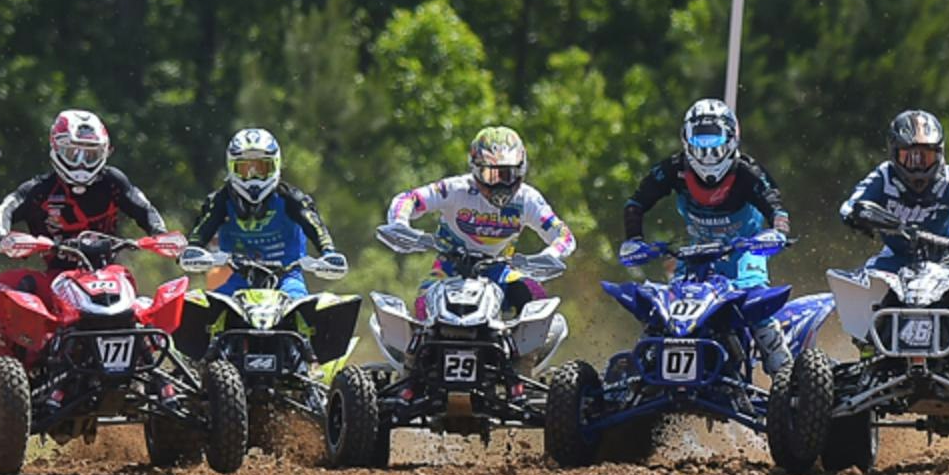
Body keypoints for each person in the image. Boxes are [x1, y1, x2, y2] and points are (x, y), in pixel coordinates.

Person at [0, 109, 171, 324]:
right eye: (73, 153)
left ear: (104, 152)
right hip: (57, 277)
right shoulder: (40, 189)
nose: (82, 163)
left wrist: (160, 234)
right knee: (7, 283)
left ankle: (149, 346)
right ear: (56, 149)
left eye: (91, 154)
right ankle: (27, 351)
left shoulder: (113, 181)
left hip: (109, 273)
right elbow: (3, 210)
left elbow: (144, 208)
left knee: (142, 303)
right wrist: (4, 237)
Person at [385, 125, 577, 296]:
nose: (501, 183)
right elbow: (409, 198)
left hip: (501, 270)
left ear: (521, 170)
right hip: (449, 267)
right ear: (475, 169)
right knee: (424, 300)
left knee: (533, 294)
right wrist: (400, 224)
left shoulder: (528, 199)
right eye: (490, 174)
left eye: (508, 174)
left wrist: (550, 255)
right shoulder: (456, 189)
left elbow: (563, 235)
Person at [619, 99, 790, 284]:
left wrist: (778, 232)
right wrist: (634, 240)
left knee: (755, 291)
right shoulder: (672, 170)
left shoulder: (748, 173)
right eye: (700, 147)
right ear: (685, 141)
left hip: (746, 253)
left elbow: (777, 210)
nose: (708, 156)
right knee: (674, 293)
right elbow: (635, 204)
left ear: (732, 140)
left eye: (716, 148)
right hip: (695, 255)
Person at [838, 110, 949, 269]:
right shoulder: (884, 177)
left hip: (946, 261)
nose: (917, 166)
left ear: (939, 153)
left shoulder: (948, 181)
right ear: (894, 154)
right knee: (867, 273)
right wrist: (857, 215)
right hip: (894, 261)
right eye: (908, 157)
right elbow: (849, 206)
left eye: (925, 157)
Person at [183, 127, 339, 293]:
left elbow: (316, 227)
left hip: (287, 279)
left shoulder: (292, 199)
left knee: (305, 308)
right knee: (207, 310)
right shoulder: (219, 201)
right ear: (231, 167)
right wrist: (193, 249)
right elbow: (200, 234)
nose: (253, 177)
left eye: (261, 169)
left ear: (276, 165)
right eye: (245, 169)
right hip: (239, 278)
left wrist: (328, 253)